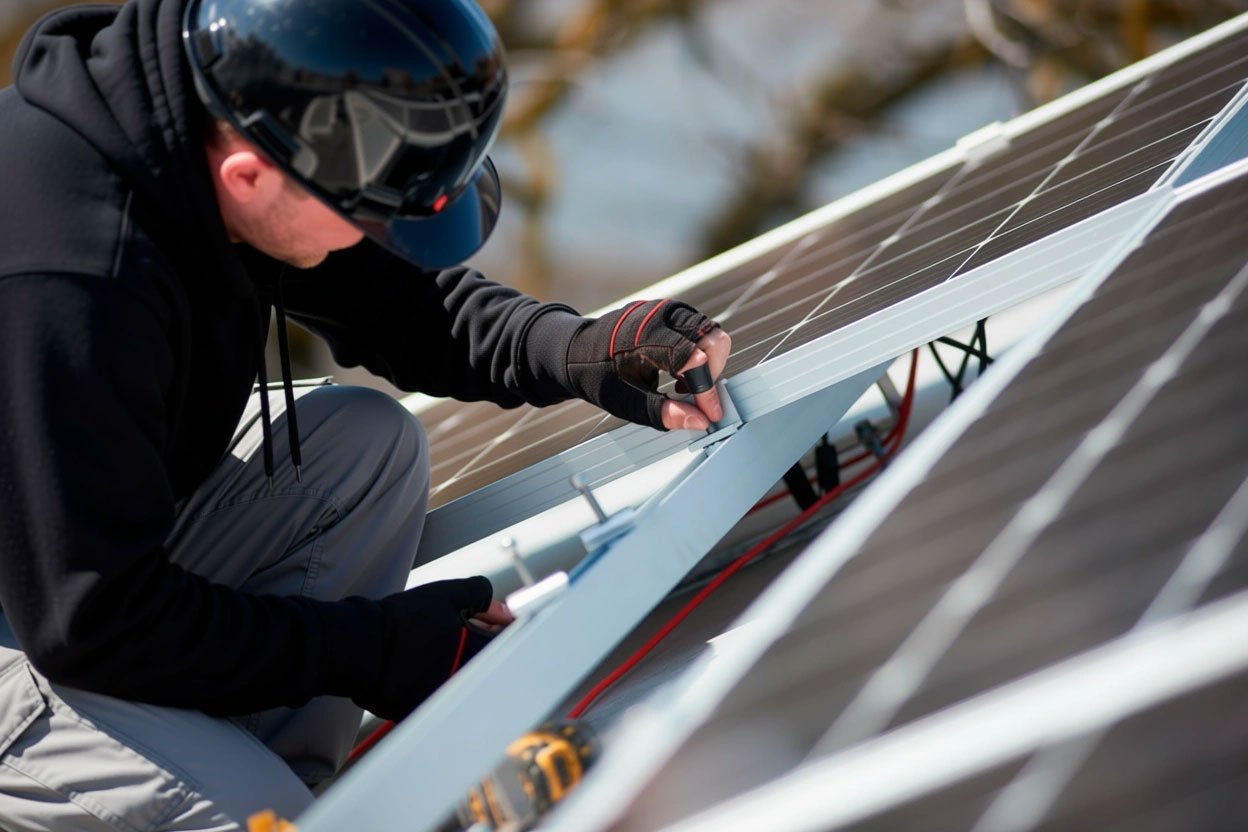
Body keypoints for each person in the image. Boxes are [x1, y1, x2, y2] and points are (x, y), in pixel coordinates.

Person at [0, 0, 731, 828]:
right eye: (369, 218)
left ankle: (287, 793)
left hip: (61, 573)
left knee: (362, 444)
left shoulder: (201, 141)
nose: (370, 240)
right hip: (55, 611)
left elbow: (402, 307)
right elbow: (91, 617)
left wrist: (580, 348)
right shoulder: (65, 274)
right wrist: (379, 648)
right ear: (249, 175)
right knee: (252, 814)